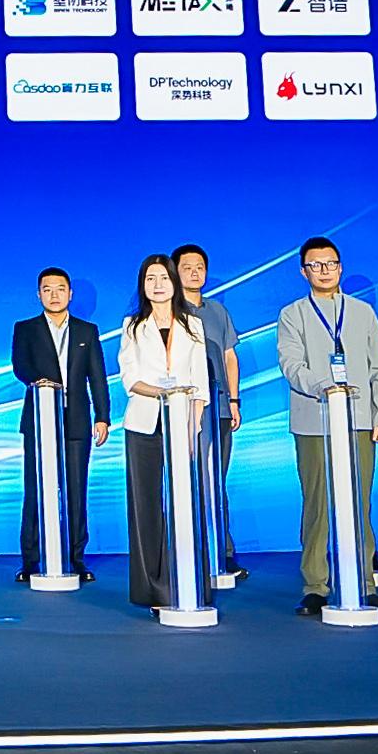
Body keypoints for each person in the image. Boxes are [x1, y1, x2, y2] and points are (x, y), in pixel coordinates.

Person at [277, 235, 378, 617]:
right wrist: (323, 387)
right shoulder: (292, 314)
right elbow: (291, 364)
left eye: (330, 264)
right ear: (304, 272)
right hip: (314, 420)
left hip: (358, 419)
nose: (324, 271)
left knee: (359, 502)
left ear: (340, 267)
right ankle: (316, 585)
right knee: (317, 504)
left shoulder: (362, 312)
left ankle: (364, 584)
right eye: (315, 265)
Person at [120, 253, 212, 614]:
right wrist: (165, 393)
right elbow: (130, 378)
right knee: (146, 506)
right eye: (150, 279)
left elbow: (200, 384)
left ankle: (190, 583)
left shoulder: (193, 325)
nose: (158, 285)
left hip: (184, 424)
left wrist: (192, 425)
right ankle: (154, 590)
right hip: (144, 423)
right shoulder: (132, 326)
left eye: (163, 278)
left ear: (174, 282)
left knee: (188, 505)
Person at [11, 266, 112, 582]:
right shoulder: (26, 328)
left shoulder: (86, 331)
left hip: (76, 420)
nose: (54, 295)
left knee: (76, 490)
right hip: (40, 420)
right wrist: (39, 381)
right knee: (35, 489)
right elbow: (20, 366)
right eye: (47, 289)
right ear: (38, 294)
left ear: (70, 294)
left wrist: (103, 417)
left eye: (60, 289)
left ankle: (75, 559)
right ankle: (30, 561)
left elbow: (97, 376)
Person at [171, 244, 245, 589]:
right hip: (184, 409)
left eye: (199, 266)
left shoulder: (218, 311)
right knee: (191, 480)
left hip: (219, 407)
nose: (194, 272)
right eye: (187, 267)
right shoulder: (169, 311)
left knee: (216, 478)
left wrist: (234, 399)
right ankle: (192, 550)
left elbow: (229, 357)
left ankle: (222, 551)